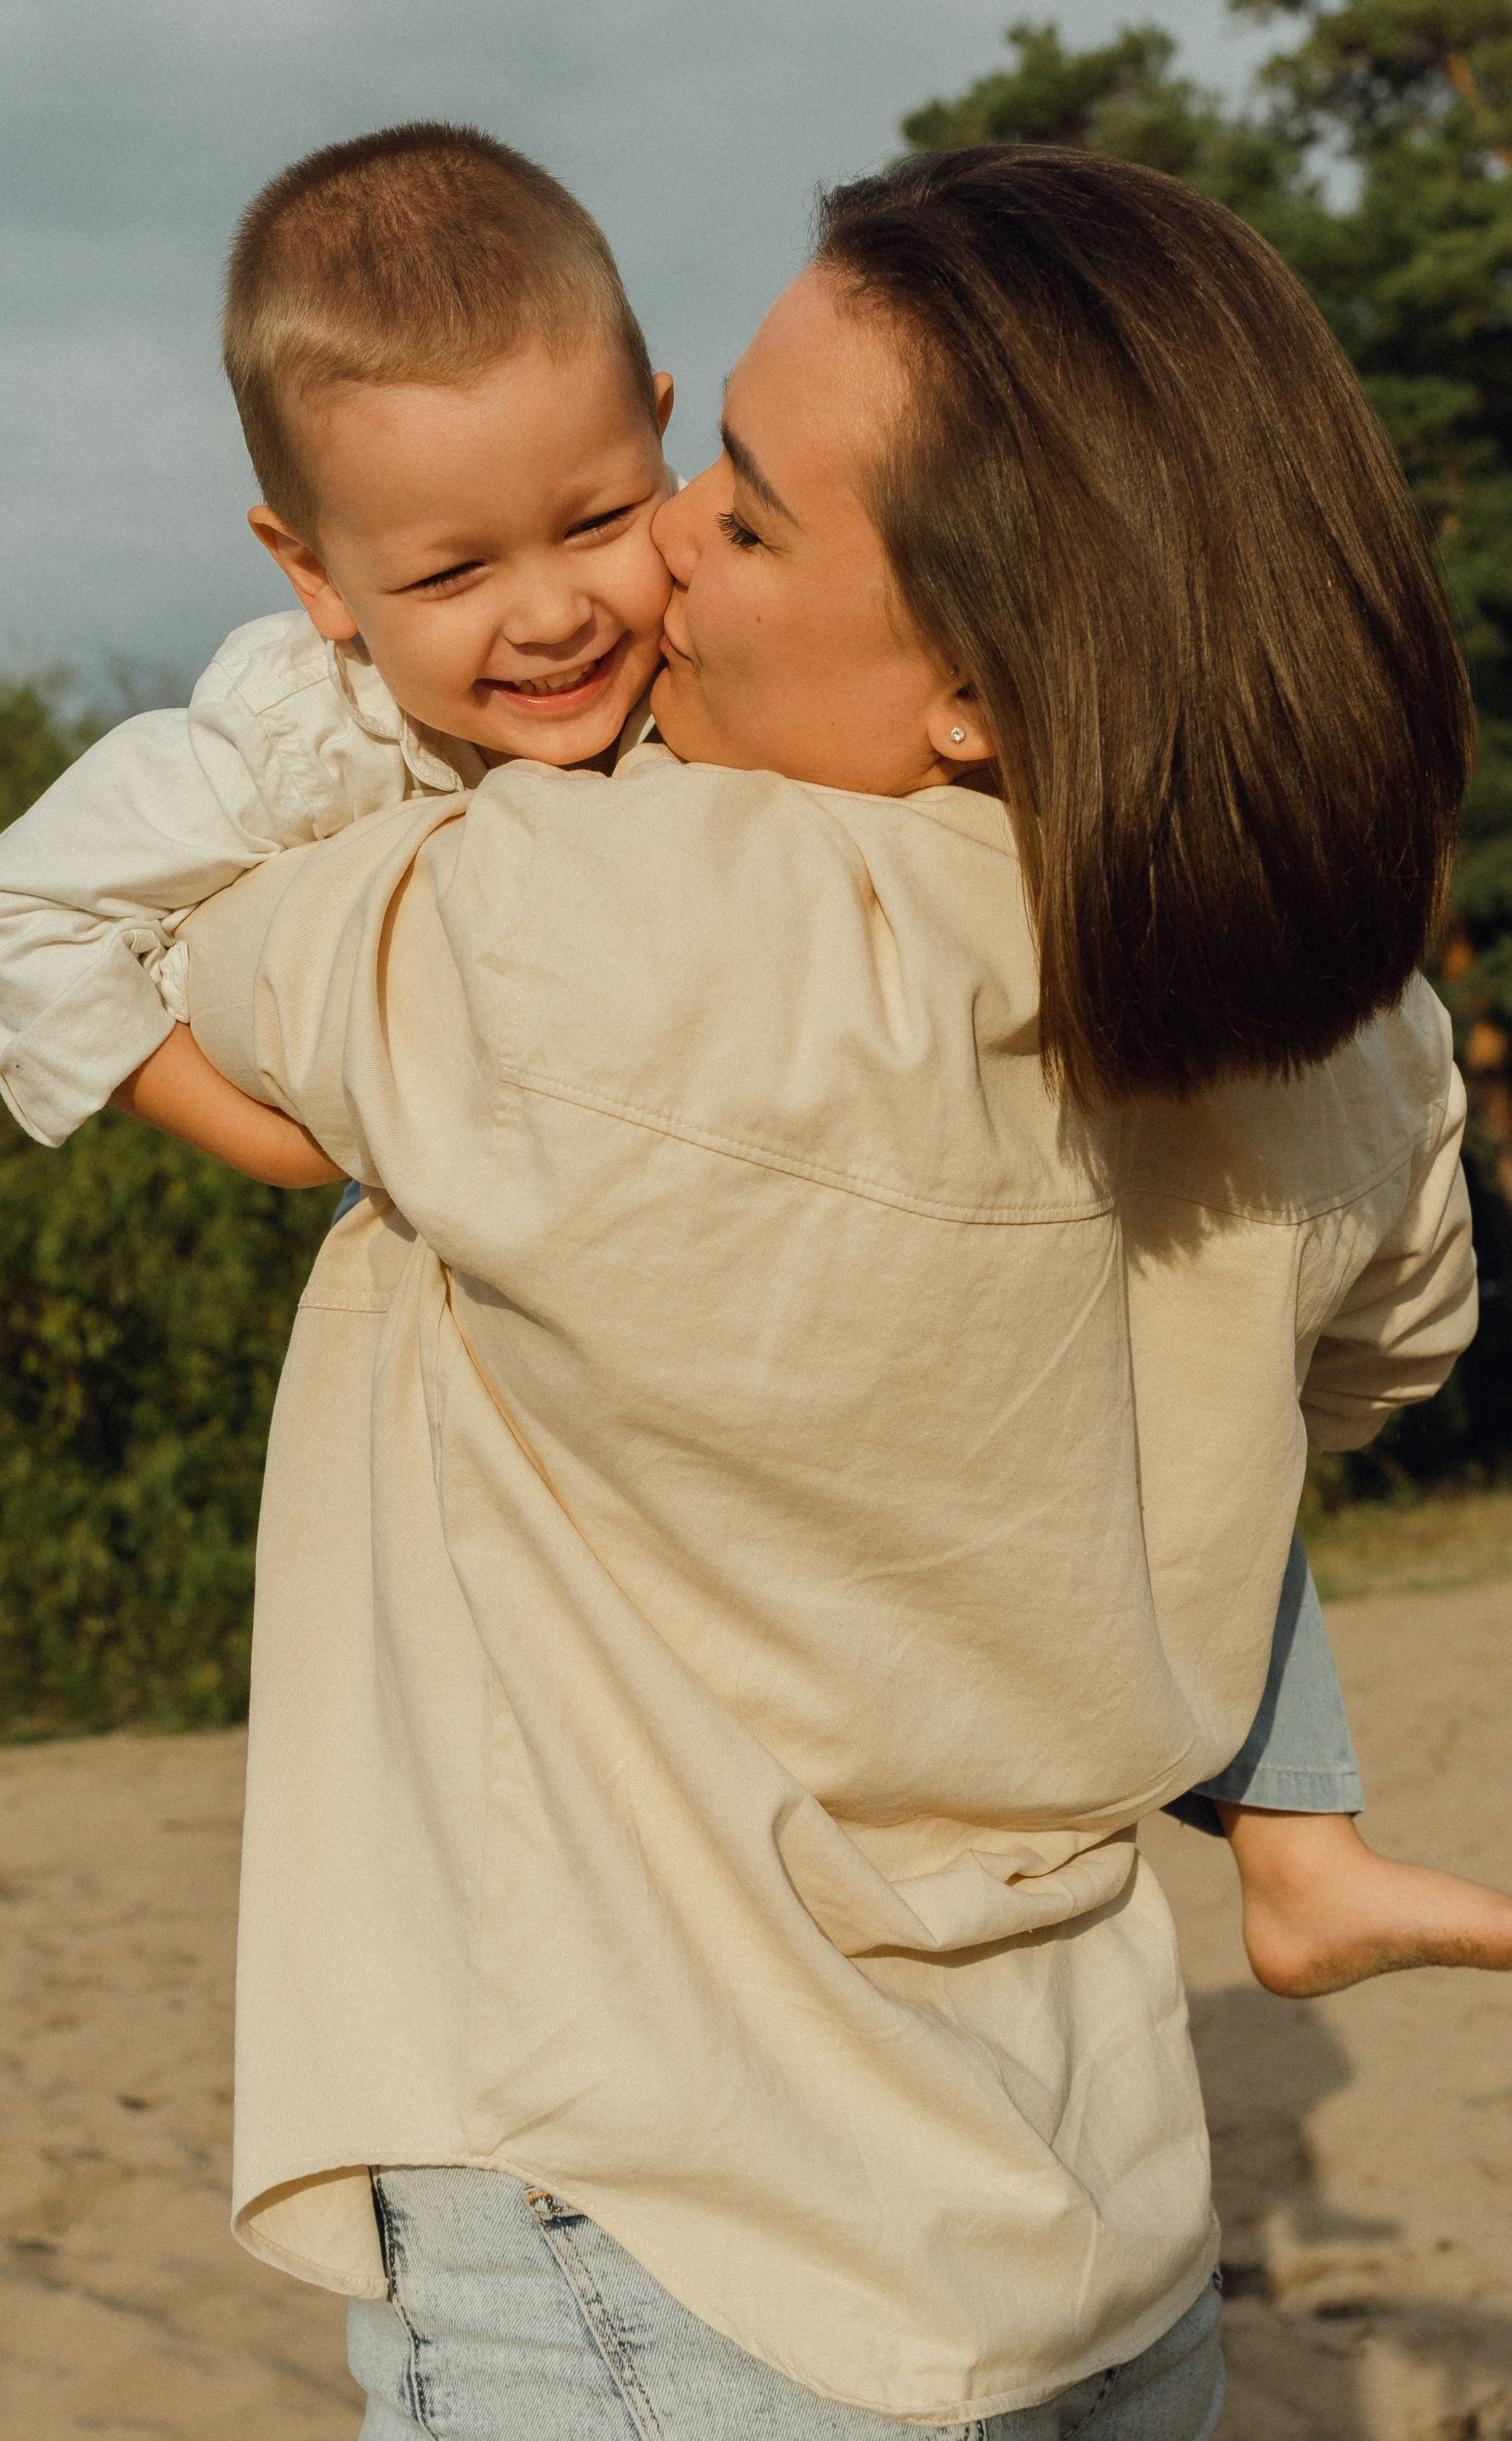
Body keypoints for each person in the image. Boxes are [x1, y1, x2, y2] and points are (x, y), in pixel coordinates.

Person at [164, 148, 1494, 2433]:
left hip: (654, 2232)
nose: (664, 542)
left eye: (751, 518)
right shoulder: (1347, 1040)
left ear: (973, 686)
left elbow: (179, 942)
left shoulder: (572, 923)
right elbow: (1373, 1368)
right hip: (1087, 2225)